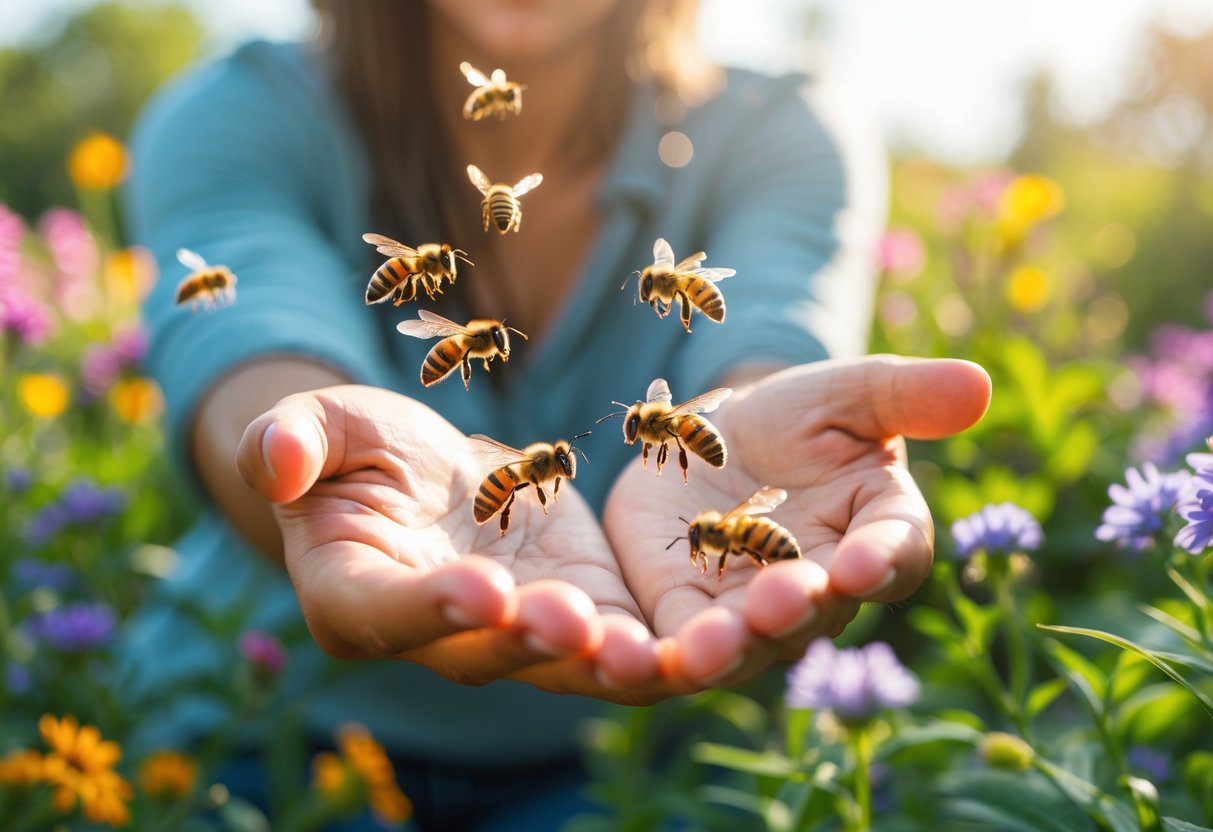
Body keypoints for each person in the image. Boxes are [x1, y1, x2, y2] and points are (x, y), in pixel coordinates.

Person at [122, 0, 993, 828]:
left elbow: (768, 350)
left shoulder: (778, 132)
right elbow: (255, 352)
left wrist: (769, 434)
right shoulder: (237, 113)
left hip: (618, 761)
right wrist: (318, 459)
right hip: (258, 731)